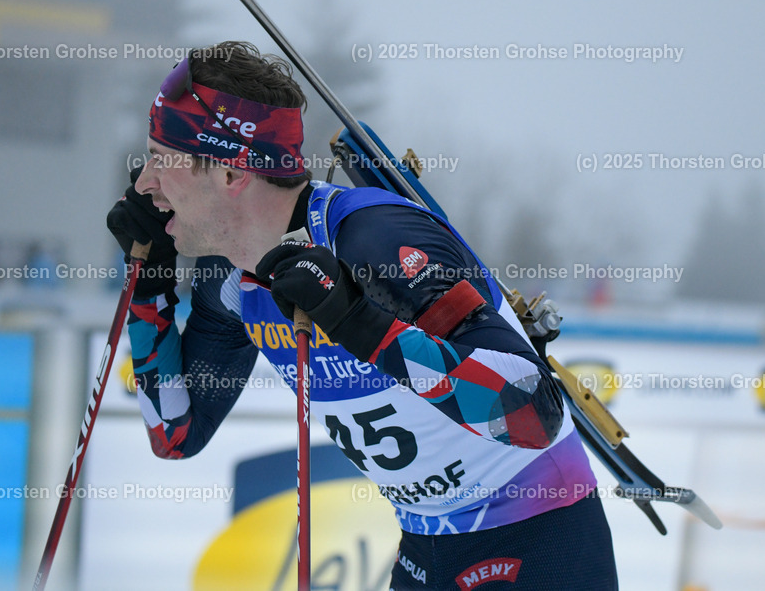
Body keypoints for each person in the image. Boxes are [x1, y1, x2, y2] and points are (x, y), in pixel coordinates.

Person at [107, 41, 617, 589]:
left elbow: (530, 413)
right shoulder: (231, 278)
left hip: (539, 535)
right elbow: (175, 432)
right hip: (427, 544)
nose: (143, 184)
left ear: (232, 175)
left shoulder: (373, 239)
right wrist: (152, 279)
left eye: (162, 159)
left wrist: (357, 321)